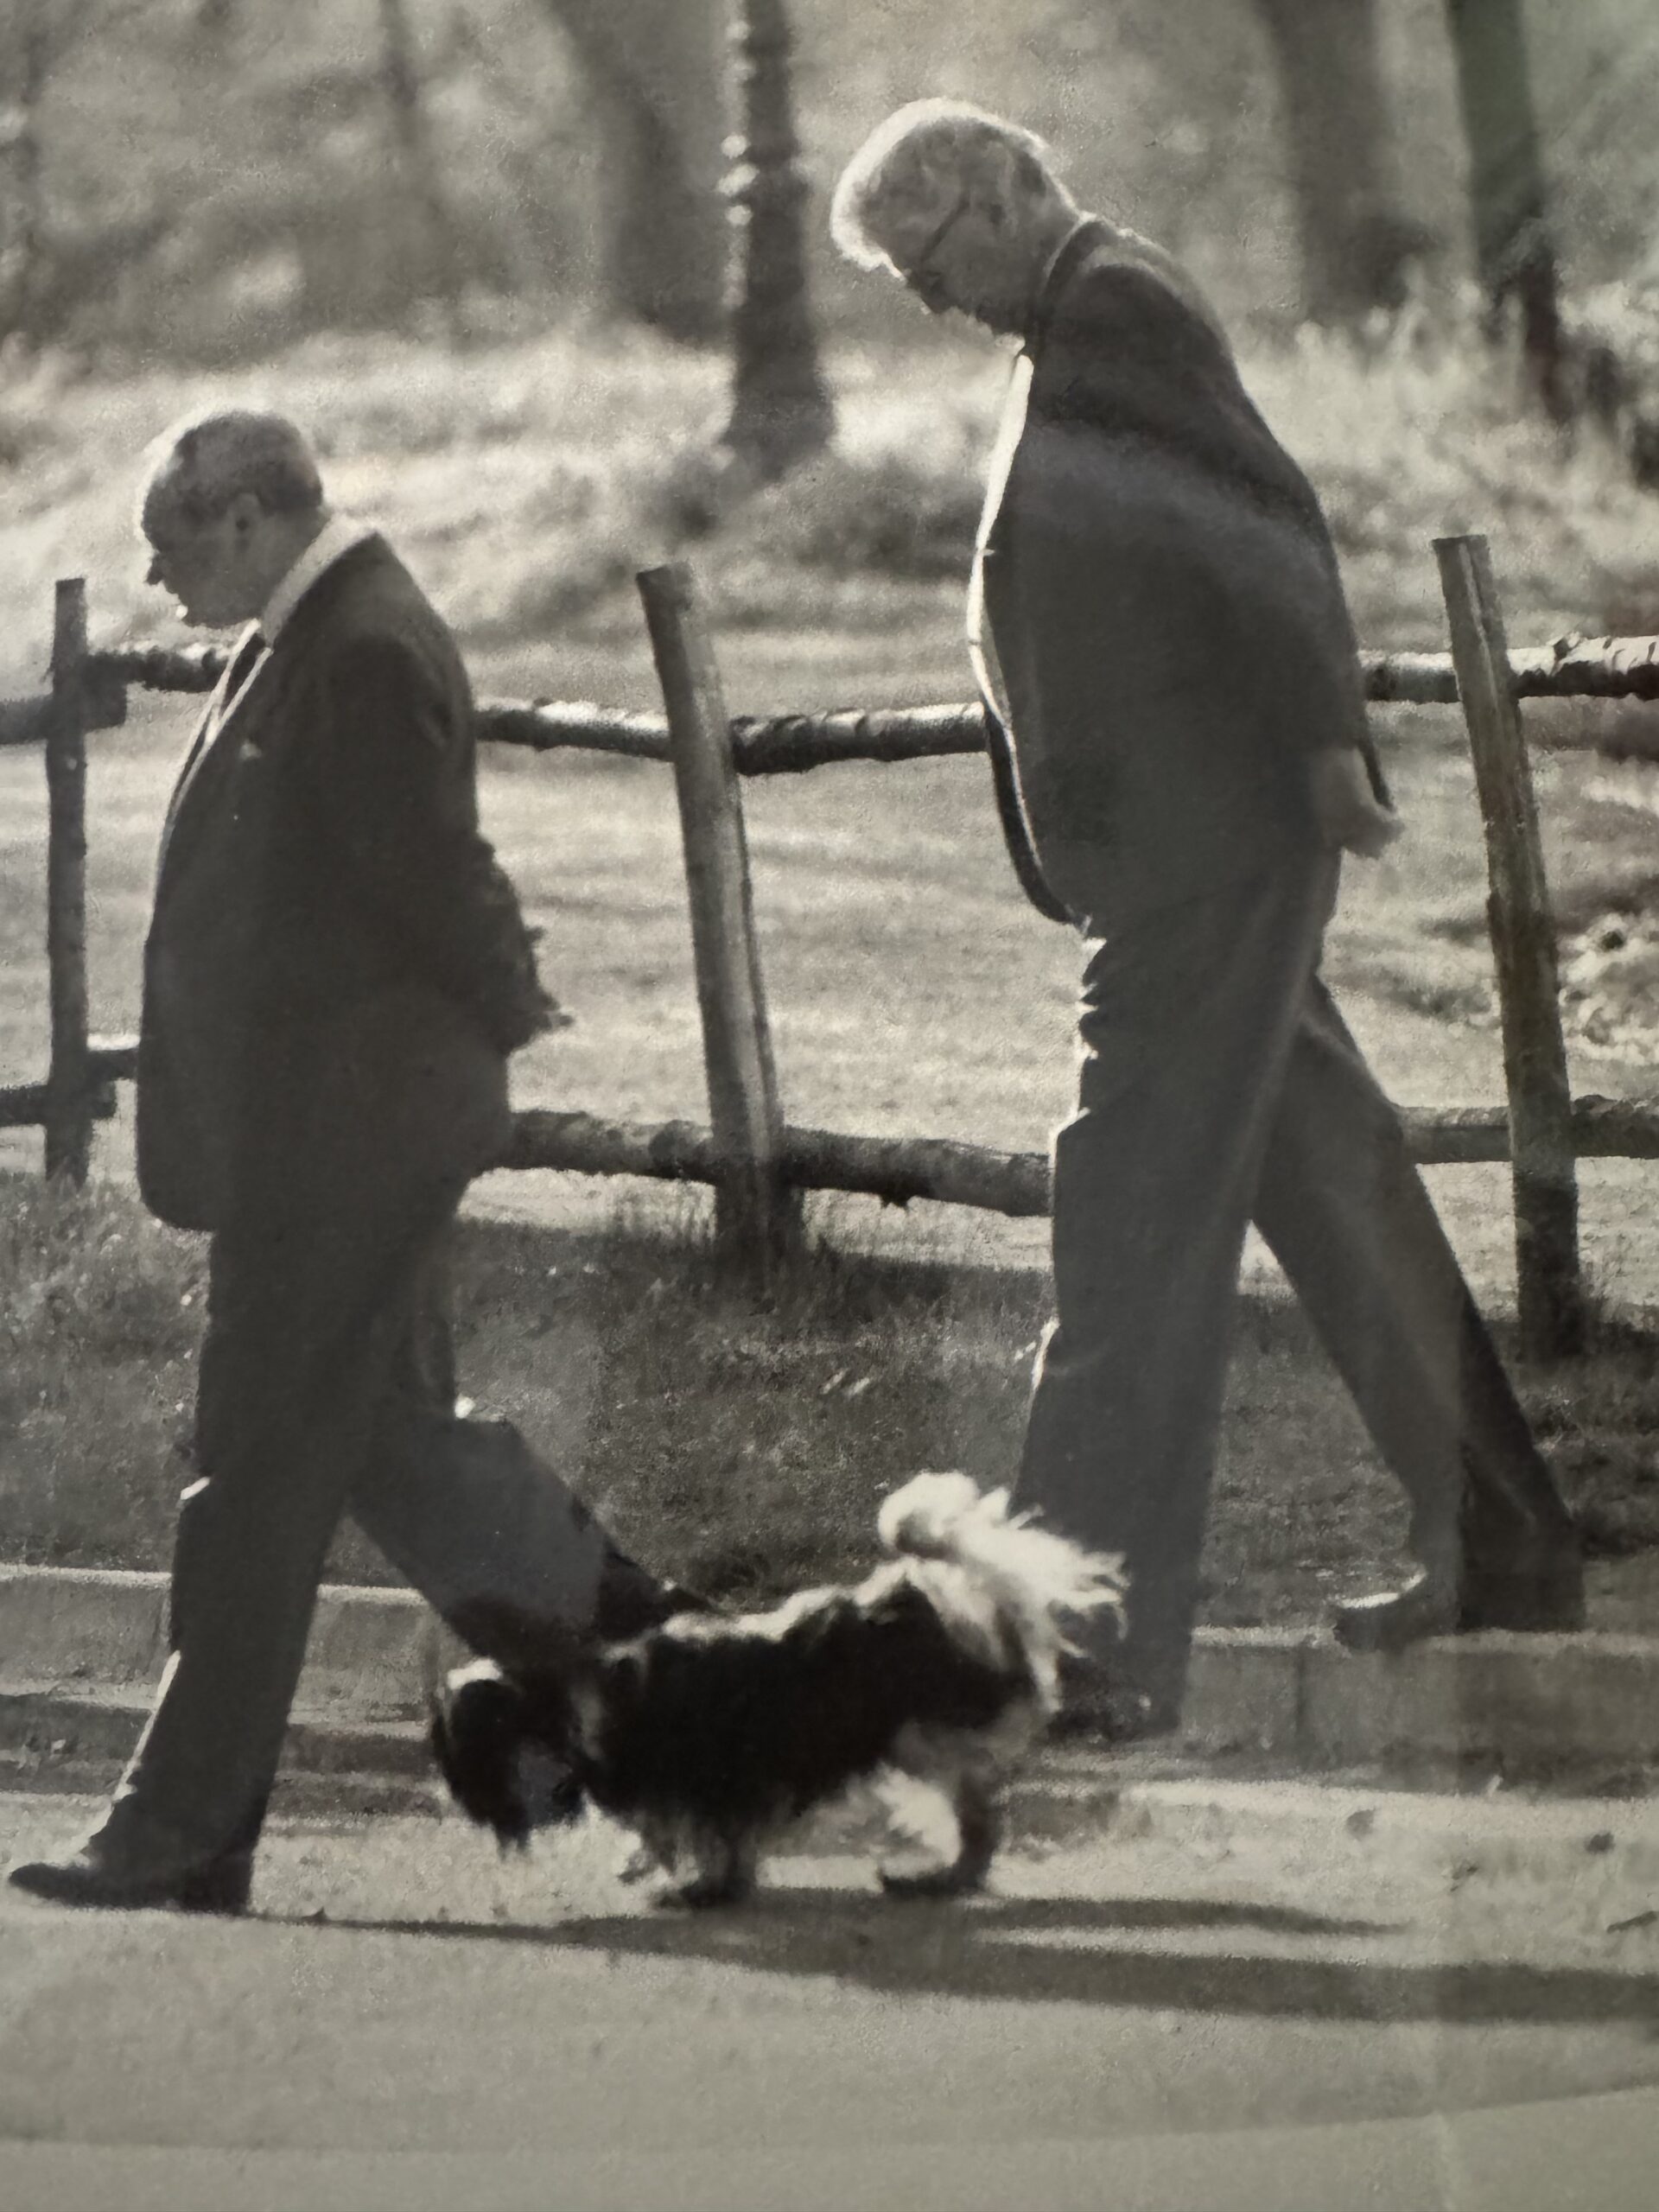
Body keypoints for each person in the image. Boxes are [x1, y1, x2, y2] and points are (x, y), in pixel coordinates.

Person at [830, 102, 1583, 1738]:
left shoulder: (1113, 306)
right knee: (1331, 1188)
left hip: (1212, 848)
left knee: (1129, 1234)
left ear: (1016, 188)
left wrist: (1324, 750)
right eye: (906, 280)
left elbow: (1262, 532)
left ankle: (1081, 1646)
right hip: (1193, 849)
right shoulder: (1074, 316)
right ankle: (1509, 1542)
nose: (930, 299)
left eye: (934, 257)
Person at [9, 410, 696, 1912]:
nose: (154, 570)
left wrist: (505, 1001)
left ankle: (182, 1826)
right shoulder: (311, 629)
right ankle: (689, 1697)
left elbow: (432, 873)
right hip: (327, 1132)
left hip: (346, 1138)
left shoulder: (362, 645)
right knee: (400, 1454)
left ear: (251, 519)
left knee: (251, 1481)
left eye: (171, 541)